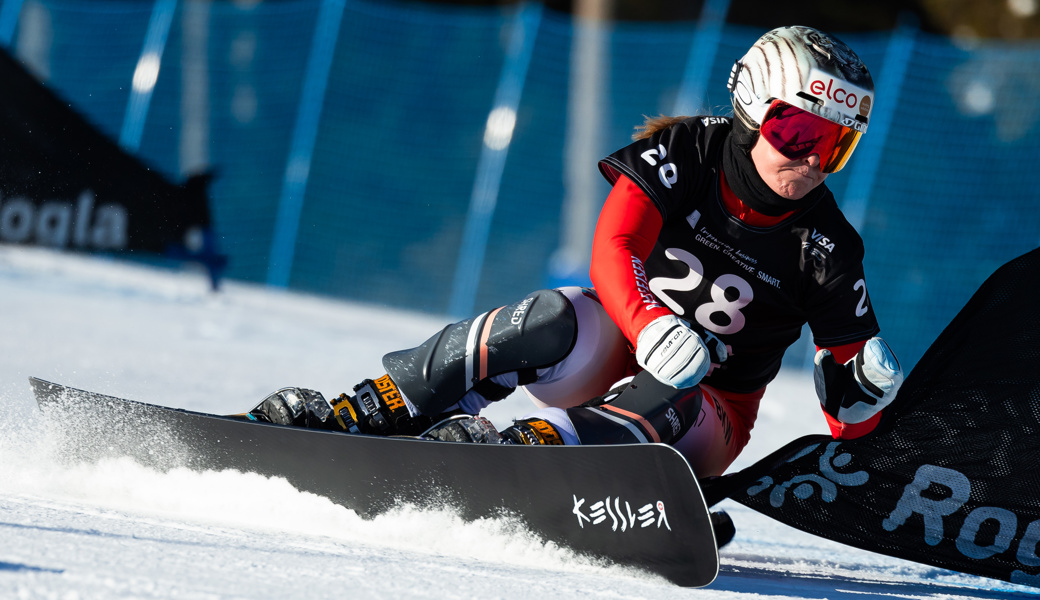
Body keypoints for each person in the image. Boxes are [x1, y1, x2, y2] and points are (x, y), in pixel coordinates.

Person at [248, 25, 904, 483]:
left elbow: (849, 429)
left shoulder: (830, 245)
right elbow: (613, 248)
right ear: (755, 110)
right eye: (799, 133)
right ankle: (372, 409)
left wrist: (862, 402)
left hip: (707, 418)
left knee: (680, 381)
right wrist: (649, 325)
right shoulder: (690, 151)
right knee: (548, 316)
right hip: (619, 344)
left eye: (837, 146)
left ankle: (535, 456)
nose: (815, 161)